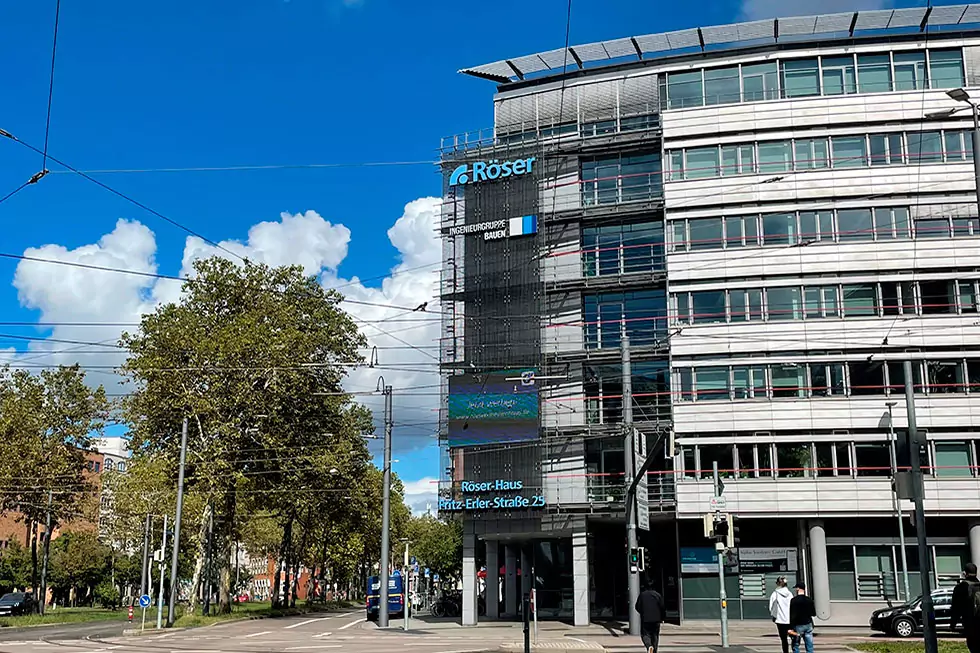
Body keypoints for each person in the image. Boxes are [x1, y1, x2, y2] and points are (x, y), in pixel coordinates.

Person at [952, 562, 980, 653]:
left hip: (971, 625)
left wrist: (953, 624)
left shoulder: (961, 588)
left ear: (965, 573)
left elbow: (956, 608)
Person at [635, 581, 665, 653]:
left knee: (645, 635)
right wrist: (662, 617)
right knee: (655, 635)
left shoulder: (642, 595)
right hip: (656, 619)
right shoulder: (658, 595)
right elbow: (662, 607)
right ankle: (654, 650)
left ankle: (649, 646)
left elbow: (637, 606)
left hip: (645, 619)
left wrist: (643, 612)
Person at [788, 581, 816, 653]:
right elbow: (813, 613)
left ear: (798, 589)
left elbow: (792, 615)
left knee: (796, 645)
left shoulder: (794, 600)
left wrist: (790, 627)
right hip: (808, 624)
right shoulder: (809, 600)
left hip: (798, 625)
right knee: (809, 644)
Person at [769, 576, 794, 653]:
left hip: (780, 619)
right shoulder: (790, 594)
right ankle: (795, 650)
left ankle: (785, 651)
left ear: (778, 584)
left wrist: (773, 615)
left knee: (783, 639)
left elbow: (771, 607)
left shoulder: (775, 594)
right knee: (792, 636)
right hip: (789, 618)